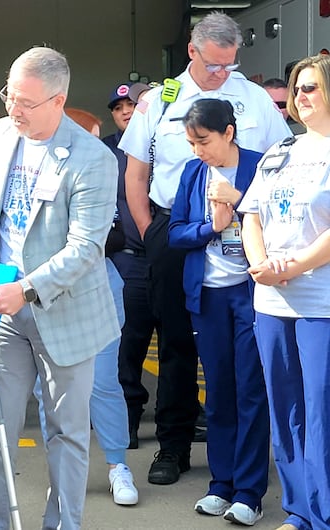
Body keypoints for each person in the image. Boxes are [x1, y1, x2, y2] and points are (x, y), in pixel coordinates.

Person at [119, 11, 290, 485]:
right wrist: (151, 231)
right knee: (176, 341)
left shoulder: (253, 99)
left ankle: (242, 459)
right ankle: (173, 447)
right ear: (192, 51)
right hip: (176, 227)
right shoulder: (161, 99)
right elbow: (136, 172)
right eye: (214, 64)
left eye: (229, 65)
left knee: (244, 352)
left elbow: (280, 163)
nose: (221, 74)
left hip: (243, 233)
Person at [0, 46, 120, 530]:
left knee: (67, 434)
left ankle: (62, 525)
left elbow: (85, 248)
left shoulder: (92, 159)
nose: (14, 110)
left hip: (64, 310)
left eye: (25, 102)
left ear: (58, 100)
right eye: (9, 96)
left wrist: (27, 288)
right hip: (4, 309)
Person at [239, 54, 330, 530]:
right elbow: (251, 215)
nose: (300, 96)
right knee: (286, 410)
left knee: (321, 413)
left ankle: (325, 514)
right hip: (272, 300)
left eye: (310, 87)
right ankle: (300, 511)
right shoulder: (281, 150)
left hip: (321, 303)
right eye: (297, 88)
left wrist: (292, 267)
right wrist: (261, 265)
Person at [31, 107, 139, 506]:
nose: (95, 147)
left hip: (98, 287)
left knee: (104, 383)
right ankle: (60, 472)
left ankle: (117, 465)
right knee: (48, 390)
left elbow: (115, 237)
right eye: (87, 137)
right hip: (47, 290)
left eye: (96, 138)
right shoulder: (37, 175)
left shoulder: (99, 173)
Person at [168, 98, 268, 526]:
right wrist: (211, 226)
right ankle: (220, 484)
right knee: (219, 392)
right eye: (191, 143)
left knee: (251, 391)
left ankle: (249, 492)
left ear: (229, 132)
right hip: (207, 296)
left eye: (204, 141)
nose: (198, 151)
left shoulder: (262, 166)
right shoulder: (193, 173)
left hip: (251, 294)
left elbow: (282, 225)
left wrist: (239, 201)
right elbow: (175, 232)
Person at [102, 82, 160, 450]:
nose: (126, 111)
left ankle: (178, 418)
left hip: (168, 257)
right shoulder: (106, 151)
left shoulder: (167, 140)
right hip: (129, 260)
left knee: (177, 342)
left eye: (132, 104)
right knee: (129, 343)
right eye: (118, 106)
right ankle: (129, 417)